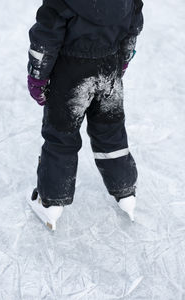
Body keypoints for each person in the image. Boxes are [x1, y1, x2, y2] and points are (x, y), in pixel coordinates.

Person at [27, 0, 144, 230]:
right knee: (111, 131)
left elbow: (46, 37)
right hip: (109, 68)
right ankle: (125, 191)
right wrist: (123, 60)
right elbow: (133, 27)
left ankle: (50, 202)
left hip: (70, 75)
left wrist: (37, 77)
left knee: (61, 136)